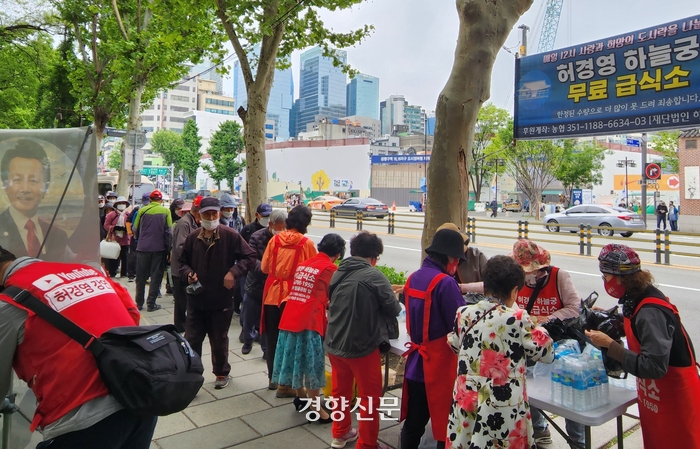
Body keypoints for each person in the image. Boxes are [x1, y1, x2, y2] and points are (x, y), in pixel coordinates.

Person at [0, 246, 156, 448]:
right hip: (141, 394)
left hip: (83, 420)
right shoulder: (88, 271)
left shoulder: (8, 304)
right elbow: (132, 314)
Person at [587, 244, 700, 448]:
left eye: (606, 277)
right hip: (654, 398)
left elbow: (654, 366)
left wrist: (611, 345)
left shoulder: (650, 311)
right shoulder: (636, 298)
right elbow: (636, 326)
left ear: (621, 277)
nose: (604, 281)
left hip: (675, 399)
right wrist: (610, 318)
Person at [447, 255, 555, 449]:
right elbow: (546, 353)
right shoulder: (518, 318)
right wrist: (542, 330)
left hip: (467, 401)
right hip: (502, 405)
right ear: (514, 291)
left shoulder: (463, 313)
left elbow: (455, 344)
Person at [325, 231, 401, 449]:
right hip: (362, 346)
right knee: (369, 398)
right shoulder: (374, 276)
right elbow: (394, 308)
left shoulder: (339, 272)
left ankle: (340, 434)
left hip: (334, 342)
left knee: (341, 391)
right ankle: (367, 444)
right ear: (375, 257)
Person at [511, 239, 584, 448]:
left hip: (560, 348)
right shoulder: (514, 280)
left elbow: (574, 308)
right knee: (529, 389)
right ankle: (540, 429)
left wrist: (548, 318)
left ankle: (578, 440)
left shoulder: (559, 276)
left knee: (569, 396)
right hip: (530, 345)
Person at [179, 197, 256, 389]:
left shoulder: (230, 235)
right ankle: (193, 376)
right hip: (196, 299)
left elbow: (250, 257)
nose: (211, 217)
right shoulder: (193, 237)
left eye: (214, 213)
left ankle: (221, 373)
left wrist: (234, 272)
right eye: (207, 214)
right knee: (192, 339)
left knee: (219, 338)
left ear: (219, 214)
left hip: (221, 299)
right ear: (199, 216)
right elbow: (181, 263)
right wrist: (188, 274)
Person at [400, 229, 467, 449]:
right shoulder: (445, 283)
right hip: (439, 367)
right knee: (444, 426)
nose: (457, 263)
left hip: (416, 363)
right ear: (449, 257)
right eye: (457, 258)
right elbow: (460, 324)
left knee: (414, 423)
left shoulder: (414, 277)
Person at [273, 233, 346, 423]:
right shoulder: (330, 268)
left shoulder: (304, 264)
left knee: (296, 359)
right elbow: (335, 296)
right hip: (309, 320)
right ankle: (316, 409)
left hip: (291, 316)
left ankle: (301, 396)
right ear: (338, 254)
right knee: (312, 364)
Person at [261, 205, 317, 396]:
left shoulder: (275, 240)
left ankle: (274, 380)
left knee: (273, 338)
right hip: (294, 298)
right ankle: (290, 385)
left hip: (272, 295)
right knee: (293, 341)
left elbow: (265, 268)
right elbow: (313, 272)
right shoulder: (306, 244)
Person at [0, 139, 70, 261]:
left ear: (45, 187)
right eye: (17, 180)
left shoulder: (57, 235)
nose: (25, 189)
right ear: (5, 185)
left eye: (33, 181)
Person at [242, 209, 287, 357]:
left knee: (268, 322)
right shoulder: (257, 237)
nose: (280, 231)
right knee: (249, 317)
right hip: (255, 284)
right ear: (270, 225)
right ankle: (248, 341)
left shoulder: (286, 239)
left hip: (273, 290)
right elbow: (252, 260)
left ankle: (266, 350)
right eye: (278, 228)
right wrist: (268, 270)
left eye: (283, 228)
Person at [132, 190, 172, 312]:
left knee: (141, 276)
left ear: (150, 200)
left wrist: (139, 238)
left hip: (142, 247)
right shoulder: (166, 211)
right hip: (158, 248)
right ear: (161, 201)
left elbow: (135, 228)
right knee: (156, 276)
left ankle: (139, 303)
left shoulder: (142, 210)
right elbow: (169, 232)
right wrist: (168, 248)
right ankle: (151, 303)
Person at [170, 196, 201, 333]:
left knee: (189, 297)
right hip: (181, 269)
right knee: (181, 300)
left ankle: (187, 324)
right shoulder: (185, 223)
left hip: (188, 268)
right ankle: (180, 327)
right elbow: (180, 247)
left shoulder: (193, 222)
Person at [126, 192, 152, 282]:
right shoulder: (137, 210)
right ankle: (132, 274)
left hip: (140, 237)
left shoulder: (140, 209)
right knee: (134, 255)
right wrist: (130, 233)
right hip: (138, 237)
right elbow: (129, 221)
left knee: (138, 256)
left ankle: (139, 274)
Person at [103, 196, 131, 278]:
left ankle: (124, 273)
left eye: (123, 203)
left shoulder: (128, 215)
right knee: (114, 257)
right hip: (114, 239)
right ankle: (112, 272)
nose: (122, 205)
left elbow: (131, 225)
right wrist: (114, 227)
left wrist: (127, 229)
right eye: (120, 203)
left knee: (125, 257)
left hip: (125, 239)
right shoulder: (111, 215)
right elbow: (106, 225)